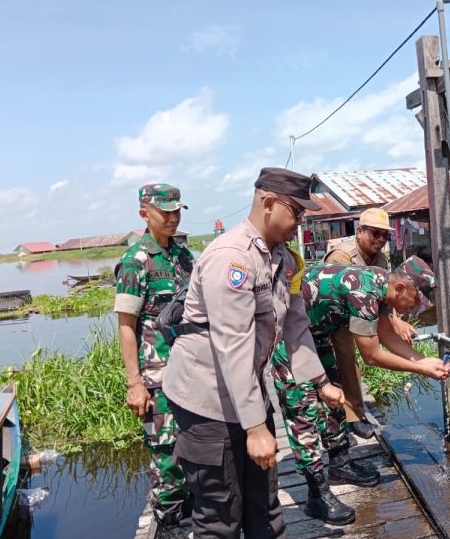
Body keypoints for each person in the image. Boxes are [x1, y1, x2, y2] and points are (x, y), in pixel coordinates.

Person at [162, 168, 345, 539]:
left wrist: (320, 381)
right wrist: (257, 428)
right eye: (296, 211)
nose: (300, 221)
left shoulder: (283, 259)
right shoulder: (232, 258)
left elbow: (295, 325)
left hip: (246, 391)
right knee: (220, 514)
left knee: (264, 504)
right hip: (206, 399)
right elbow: (233, 345)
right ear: (269, 203)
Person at [271, 256, 450, 526]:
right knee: (303, 413)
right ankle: (316, 495)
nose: (415, 307)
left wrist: (424, 361)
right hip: (289, 341)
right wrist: (421, 369)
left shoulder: (381, 286)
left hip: (315, 336)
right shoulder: (364, 293)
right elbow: (372, 355)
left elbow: (387, 336)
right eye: (416, 300)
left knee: (336, 398)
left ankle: (340, 465)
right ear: (400, 288)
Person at [114, 183, 195, 529]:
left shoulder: (184, 256)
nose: (173, 218)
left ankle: (192, 507)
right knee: (166, 451)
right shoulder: (135, 262)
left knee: (194, 440)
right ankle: (170, 519)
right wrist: (135, 384)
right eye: (166, 212)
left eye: (177, 211)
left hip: (190, 369)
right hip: (157, 374)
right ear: (145, 214)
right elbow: (126, 326)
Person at [323, 207, 418, 439]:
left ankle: (353, 411)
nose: (381, 239)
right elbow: (338, 299)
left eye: (385, 235)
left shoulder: (381, 259)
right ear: (360, 232)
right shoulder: (341, 257)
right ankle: (351, 416)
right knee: (346, 356)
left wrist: (395, 320)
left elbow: (384, 296)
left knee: (365, 349)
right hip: (332, 316)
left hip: (359, 313)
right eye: (375, 233)